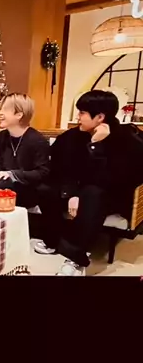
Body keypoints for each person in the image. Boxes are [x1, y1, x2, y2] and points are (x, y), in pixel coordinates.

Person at [34, 90, 143, 276]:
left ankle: (77, 259)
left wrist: (96, 146)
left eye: (82, 113)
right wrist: (71, 192)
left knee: (93, 193)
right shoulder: (73, 136)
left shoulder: (125, 138)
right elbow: (59, 167)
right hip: (77, 190)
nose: (78, 117)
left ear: (100, 117)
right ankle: (53, 241)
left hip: (108, 196)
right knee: (45, 189)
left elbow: (114, 180)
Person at [0, 93, 50, 203]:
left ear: (19, 115)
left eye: (5, 110)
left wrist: (13, 174)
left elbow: (42, 172)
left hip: (27, 185)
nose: (0, 113)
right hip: (4, 183)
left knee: (3, 183)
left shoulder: (37, 140)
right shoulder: (1, 137)